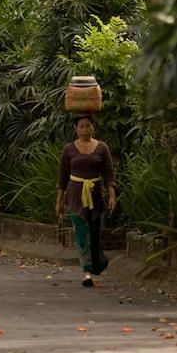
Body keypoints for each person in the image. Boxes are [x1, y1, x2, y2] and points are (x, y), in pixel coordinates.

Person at [56, 115, 117, 287]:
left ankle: (97, 263)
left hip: (96, 194)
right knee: (81, 233)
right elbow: (62, 178)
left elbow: (109, 174)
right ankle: (87, 272)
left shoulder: (102, 148)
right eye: (81, 126)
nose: (84, 129)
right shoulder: (69, 149)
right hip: (75, 195)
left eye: (88, 126)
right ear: (76, 129)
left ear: (93, 128)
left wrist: (112, 195)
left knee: (95, 232)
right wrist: (59, 201)